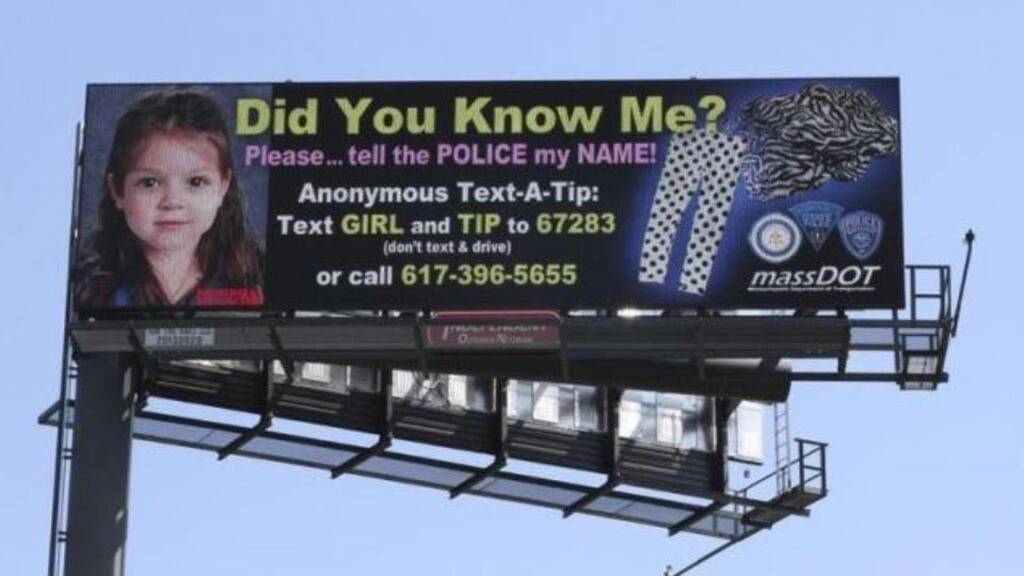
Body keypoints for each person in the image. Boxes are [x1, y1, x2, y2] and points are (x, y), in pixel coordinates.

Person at [76, 88, 263, 309]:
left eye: (196, 182)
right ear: (117, 190)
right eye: (150, 183)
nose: (173, 202)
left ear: (223, 186)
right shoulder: (89, 285)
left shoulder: (256, 279)